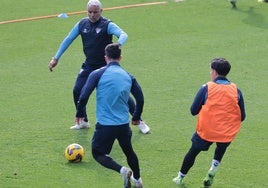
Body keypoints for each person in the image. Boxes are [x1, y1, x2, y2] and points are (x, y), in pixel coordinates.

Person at [48, 0, 150, 134]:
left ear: (101, 11)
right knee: (77, 90)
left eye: (95, 12)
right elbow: (68, 39)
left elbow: (124, 34)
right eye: (89, 12)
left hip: (108, 67)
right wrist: (56, 58)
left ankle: (140, 121)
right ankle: (83, 121)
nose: (92, 15)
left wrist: (118, 44)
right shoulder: (81, 24)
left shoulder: (107, 25)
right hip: (89, 65)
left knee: (121, 93)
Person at [75, 43, 144, 188]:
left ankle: (122, 170)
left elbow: (84, 95)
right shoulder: (128, 76)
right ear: (120, 57)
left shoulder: (97, 74)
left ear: (105, 57)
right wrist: (136, 117)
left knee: (98, 153)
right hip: (123, 125)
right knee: (128, 150)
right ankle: (138, 180)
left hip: (105, 126)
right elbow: (140, 98)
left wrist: (80, 112)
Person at [172, 57, 246, 187]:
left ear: (215, 72)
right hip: (227, 132)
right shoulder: (236, 90)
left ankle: (180, 177)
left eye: (210, 70)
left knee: (193, 152)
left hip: (207, 130)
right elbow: (242, 116)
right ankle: (213, 169)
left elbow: (193, 110)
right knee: (221, 148)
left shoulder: (207, 88)